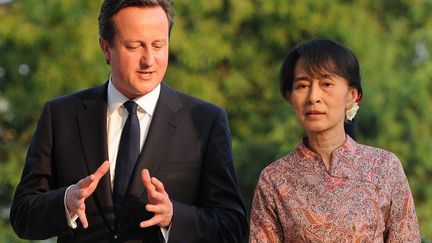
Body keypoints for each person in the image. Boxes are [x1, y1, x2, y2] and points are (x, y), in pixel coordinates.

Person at [10, 0, 247, 242]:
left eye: (158, 45)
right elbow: (22, 215)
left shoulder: (205, 121)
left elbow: (233, 227)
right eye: (134, 46)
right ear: (106, 48)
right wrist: (66, 202)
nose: (149, 60)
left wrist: (174, 216)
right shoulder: (60, 115)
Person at [249, 39, 420, 242]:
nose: (313, 96)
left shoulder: (385, 168)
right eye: (302, 85)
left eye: (326, 84)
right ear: (290, 98)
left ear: (352, 96)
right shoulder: (274, 180)